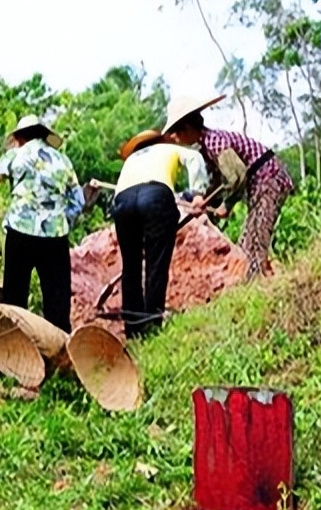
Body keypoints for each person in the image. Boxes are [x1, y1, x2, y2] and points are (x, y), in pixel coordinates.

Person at [162, 95, 294, 279]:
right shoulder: (206, 149)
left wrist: (227, 205)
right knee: (248, 240)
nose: (174, 138)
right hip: (259, 184)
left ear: (188, 128)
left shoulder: (215, 142)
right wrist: (202, 202)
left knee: (257, 238)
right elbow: (216, 183)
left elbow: (237, 176)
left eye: (176, 132)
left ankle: (257, 284)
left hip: (269, 179)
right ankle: (251, 282)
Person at [0, 115, 84, 333]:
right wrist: (60, 222)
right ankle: (60, 352)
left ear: (20, 137)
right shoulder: (63, 161)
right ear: (45, 135)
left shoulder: (14, 156)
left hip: (20, 233)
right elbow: (78, 202)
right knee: (57, 302)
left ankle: (15, 348)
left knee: (15, 298)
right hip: (55, 238)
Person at [111, 129, 211, 338]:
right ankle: (152, 326)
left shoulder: (131, 162)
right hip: (155, 197)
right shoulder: (167, 148)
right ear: (159, 140)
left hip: (123, 202)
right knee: (156, 264)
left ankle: (133, 330)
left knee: (131, 267)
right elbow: (195, 158)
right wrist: (198, 194)